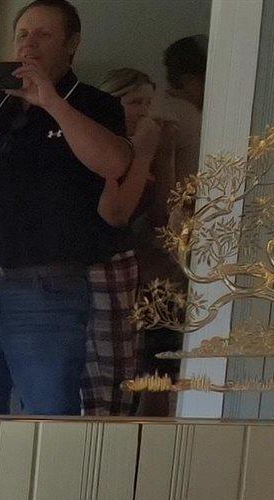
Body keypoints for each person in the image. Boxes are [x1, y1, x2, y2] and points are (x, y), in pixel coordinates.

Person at [0, 0, 132, 417]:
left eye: (44, 35)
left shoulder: (94, 104)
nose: (30, 44)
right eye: (23, 35)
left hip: (47, 291)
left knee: (48, 417)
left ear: (73, 45)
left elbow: (115, 163)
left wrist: (51, 102)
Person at [95, 67, 196, 414]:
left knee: (160, 359)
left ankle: (155, 403)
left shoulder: (146, 146)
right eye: (135, 102)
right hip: (110, 270)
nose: (145, 112)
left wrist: (163, 154)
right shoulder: (103, 150)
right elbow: (116, 215)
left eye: (149, 103)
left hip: (149, 275)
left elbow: (160, 215)